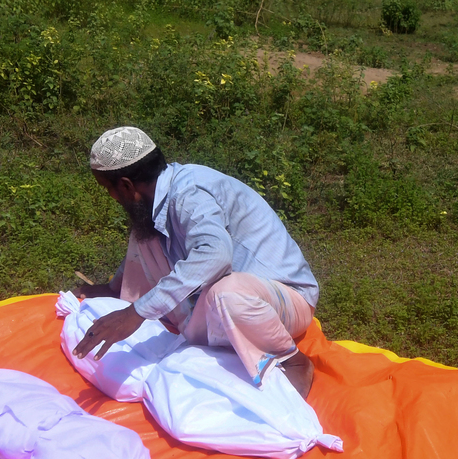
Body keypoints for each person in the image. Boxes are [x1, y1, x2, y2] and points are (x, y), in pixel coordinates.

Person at [73, 126, 320, 398]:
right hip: (223, 302)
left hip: (281, 300)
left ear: (126, 185)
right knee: (143, 231)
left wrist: (136, 313)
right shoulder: (159, 197)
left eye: (108, 189)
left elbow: (216, 255)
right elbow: (147, 247)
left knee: (225, 294)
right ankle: (121, 294)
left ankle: (291, 360)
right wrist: (116, 290)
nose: (111, 197)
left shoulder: (189, 193)